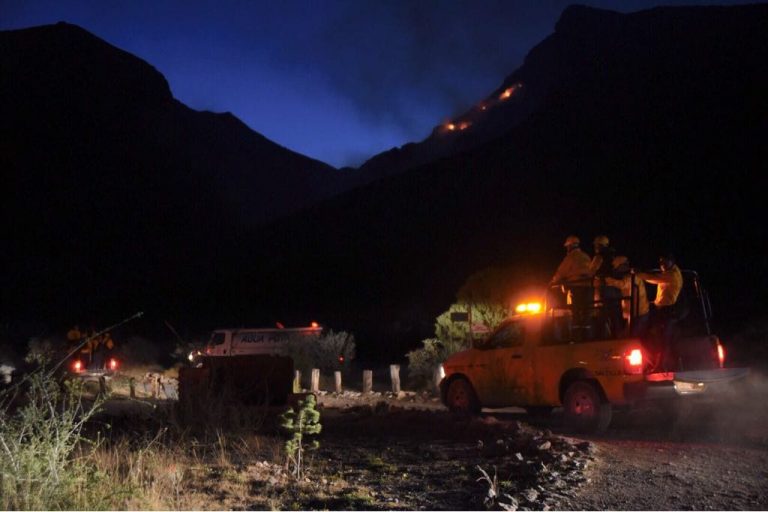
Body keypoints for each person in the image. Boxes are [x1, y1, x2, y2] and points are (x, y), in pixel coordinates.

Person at [637, 254, 684, 369]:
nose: (662, 264)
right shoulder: (672, 271)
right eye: (660, 262)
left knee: (663, 339)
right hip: (664, 310)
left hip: (667, 312)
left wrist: (638, 274)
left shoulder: (672, 275)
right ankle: (666, 364)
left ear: (672, 262)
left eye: (665, 262)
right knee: (661, 337)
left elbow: (653, 278)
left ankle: (661, 366)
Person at [604, 256, 650, 337]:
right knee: (628, 335)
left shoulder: (632, 277)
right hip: (635, 312)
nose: (616, 270)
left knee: (635, 338)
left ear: (622, 266)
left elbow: (622, 285)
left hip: (639, 313)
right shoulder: (628, 276)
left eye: (617, 268)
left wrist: (607, 280)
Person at [550, 235, 592, 309]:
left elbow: (561, 272)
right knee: (587, 310)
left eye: (567, 246)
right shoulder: (586, 256)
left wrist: (552, 282)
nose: (567, 248)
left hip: (576, 288)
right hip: (588, 287)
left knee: (576, 310)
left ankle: (578, 320)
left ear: (570, 246)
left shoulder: (571, 257)